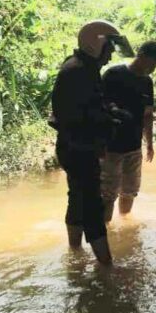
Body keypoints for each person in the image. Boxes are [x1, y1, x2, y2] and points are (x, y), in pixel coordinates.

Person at [49, 20, 134, 265]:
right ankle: (106, 267)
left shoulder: (80, 67)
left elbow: (93, 105)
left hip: (73, 147)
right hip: (79, 150)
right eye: (109, 49)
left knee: (77, 198)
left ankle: (74, 253)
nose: (110, 56)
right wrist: (111, 121)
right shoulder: (80, 72)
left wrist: (111, 111)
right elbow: (83, 116)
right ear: (97, 44)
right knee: (92, 206)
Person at [100, 41, 156, 222]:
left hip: (134, 147)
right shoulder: (113, 74)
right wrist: (114, 109)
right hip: (111, 147)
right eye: (153, 63)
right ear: (142, 55)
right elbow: (100, 104)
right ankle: (106, 232)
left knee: (129, 191)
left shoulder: (147, 82)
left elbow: (148, 115)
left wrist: (150, 145)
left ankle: (124, 226)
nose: (154, 68)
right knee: (107, 194)